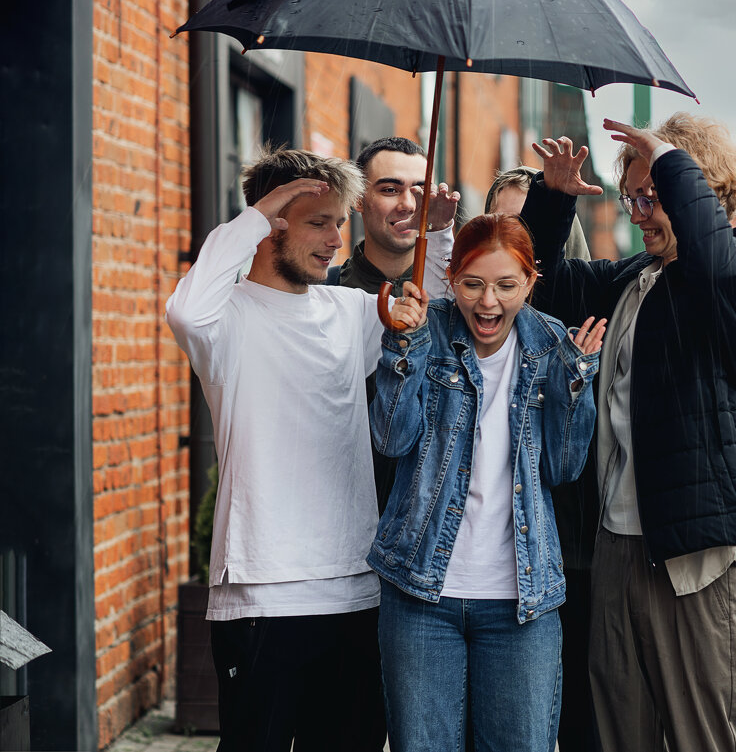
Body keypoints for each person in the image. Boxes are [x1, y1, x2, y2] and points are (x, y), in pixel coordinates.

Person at [520, 115, 736, 752]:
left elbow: (715, 265)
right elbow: (542, 284)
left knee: (705, 734)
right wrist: (554, 197)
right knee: (622, 730)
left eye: (655, 197)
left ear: (699, 192)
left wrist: (673, 162)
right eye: (634, 197)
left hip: (691, 553)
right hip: (619, 543)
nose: (640, 213)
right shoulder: (632, 281)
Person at [165, 148, 412, 751]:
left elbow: (443, 299)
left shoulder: (351, 310)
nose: (336, 239)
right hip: (262, 588)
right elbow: (185, 310)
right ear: (272, 222)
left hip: (356, 586)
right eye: (318, 221)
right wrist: (259, 213)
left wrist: (428, 244)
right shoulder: (225, 319)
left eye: (339, 221)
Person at [368, 213, 607, 752]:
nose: (488, 303)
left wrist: (576, 381)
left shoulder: (552, 347)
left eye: (506, 285)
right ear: (451, 277)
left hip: (522, 600)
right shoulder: (424, 332)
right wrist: (400, 351)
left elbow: (563, 468)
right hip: (421, 592)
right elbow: (390, 438)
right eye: (473, 284)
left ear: (530, 281)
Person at [486, 162, 600, 751]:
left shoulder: (586, 319)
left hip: (575, 550)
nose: (517, 239)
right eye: (508, 221)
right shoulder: (470, 326)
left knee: (576, 717)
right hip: (491, 563)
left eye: (533, 225)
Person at [334, 136, 459, 515]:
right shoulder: (323, 295)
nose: (408, 203)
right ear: (358, 200)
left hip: (427, 520)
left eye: (419, 189)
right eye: (390, 189)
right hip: (338, 513)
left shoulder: (459, 300)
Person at [485, 165, 591, 261]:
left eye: (528, 223)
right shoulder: (474, 276)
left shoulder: (585, 279)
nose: (515, 233)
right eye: (503, 221)